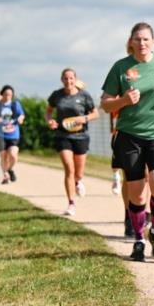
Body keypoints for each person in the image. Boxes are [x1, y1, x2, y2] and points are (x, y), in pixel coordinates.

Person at [101, 22, 154, 262]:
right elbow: (105, 103)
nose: (142, 43)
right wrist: (123, 101)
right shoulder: (121, 67)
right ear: (131, 42)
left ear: (153, 42)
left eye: (146, 39)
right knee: (136, 194)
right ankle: (139, 240)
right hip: (130, 134)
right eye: (137, 39)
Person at [47, 68, 99, 216]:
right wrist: (49, 121)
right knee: (69, 168)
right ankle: (71, 203)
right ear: (61, 80)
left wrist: (85, 118)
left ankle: (77, 182)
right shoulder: (57, 95)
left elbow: (96, 113)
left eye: (71, 78)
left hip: (81, 136)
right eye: (65, 78)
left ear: (75, 79)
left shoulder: (84, 96)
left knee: (78, 172)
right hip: (62, 136)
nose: (68, 81)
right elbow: (49, 111)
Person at [0, 85, 25, 185]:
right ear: (1, 94)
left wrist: (21, 119)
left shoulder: (15, 104)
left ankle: (10, 169)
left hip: (13, 134)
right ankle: (5, 175)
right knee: (3, 156)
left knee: (13, 155)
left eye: (10, 95)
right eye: (6, 95)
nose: (8, 97)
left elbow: (22, 114)